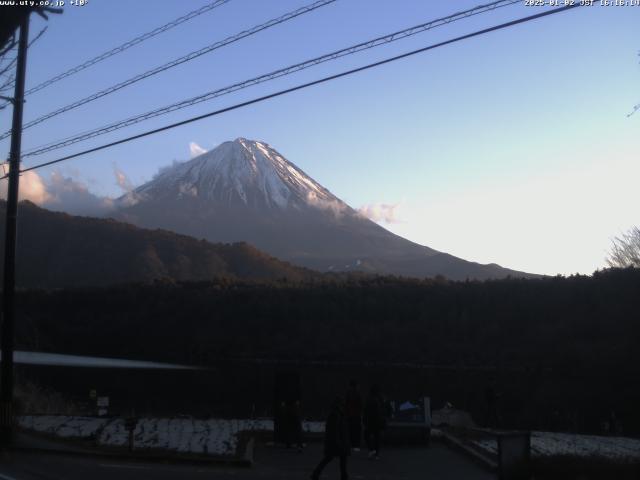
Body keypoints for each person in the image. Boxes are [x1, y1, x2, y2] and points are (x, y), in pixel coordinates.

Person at [311, 397, 350, 480]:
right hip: (336, 442)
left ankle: (316, 474)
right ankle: (344, 476)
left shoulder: (337, 414)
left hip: (335, 442)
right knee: (337, 458)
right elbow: (335, 430)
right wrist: (339, 442)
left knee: (330, 458)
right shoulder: (336, 415)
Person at [363, 385, 385, 459]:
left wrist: (364, 420)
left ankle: (372, 450)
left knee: (367, 435)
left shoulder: (369, 400)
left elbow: (365, 411)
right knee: (377, 438)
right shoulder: (379, 399)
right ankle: (376, 454)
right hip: (377, 421)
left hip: (370, 421)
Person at [345, 380, 363, 451]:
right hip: (356, 415)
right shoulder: (358, 394)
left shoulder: (348, 394)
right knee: (356, 430)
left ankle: (351, 444)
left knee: (350, 430)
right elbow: (361, 404)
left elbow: (346, 404)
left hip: (350, 415)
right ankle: (356, 445)